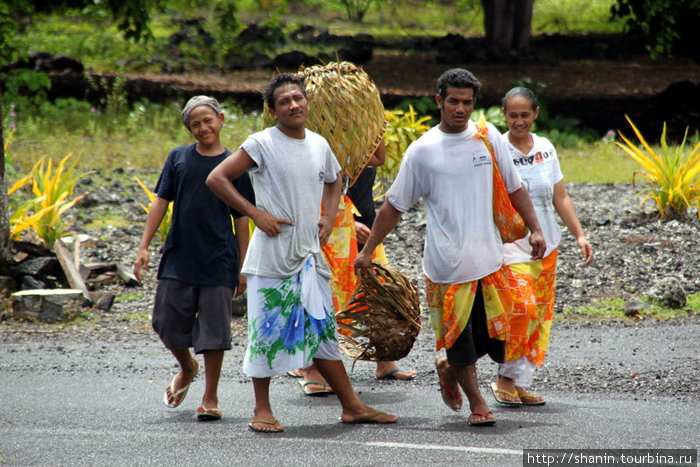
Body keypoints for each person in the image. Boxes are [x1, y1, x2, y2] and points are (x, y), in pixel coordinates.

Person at [205, 73, 398, 433]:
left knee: (323, 331)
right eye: (284, 101)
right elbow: (217, 178)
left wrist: (327, 216)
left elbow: (335, 178)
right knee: (265, 332)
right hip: (271, 260)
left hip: (309, 258)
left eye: (298, 98)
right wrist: (255, 213)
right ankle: (262, 409)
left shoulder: (319, 143)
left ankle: (352, 406)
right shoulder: (261, 143)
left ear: (308, 103)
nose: (293, 105)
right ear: (273, 109)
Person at [354, 68, 546, 426]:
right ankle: (477, 402)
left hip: (490, 261)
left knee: (498, 339)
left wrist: (535, 228)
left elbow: (515, 186)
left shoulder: (489, 138)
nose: (461, 109)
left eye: (468, 103)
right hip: (446, 267)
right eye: (454, 101)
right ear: (439, 100)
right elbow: (394, 206)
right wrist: (368, 251)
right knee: (461, 343)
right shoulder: (422, 151)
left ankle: (445, 365)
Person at [132, 95, 254, 421]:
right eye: (195, 124)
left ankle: (210, 396)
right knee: (164, 320)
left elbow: (241, 219)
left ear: (221, 119)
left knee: (215, 331)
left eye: (208, 121)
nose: (203, 128)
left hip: (219, 258)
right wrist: (143, 246)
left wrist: (243, 267)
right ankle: (187, 366)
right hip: (180, 254)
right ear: (189, 128)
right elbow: (160, 201)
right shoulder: (178, 158)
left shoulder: (235, 165)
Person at [491, 87, 594, 406]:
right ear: (504, 115)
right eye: (512, 115)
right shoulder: (497, 150)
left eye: (525, 115)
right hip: (512, 245)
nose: (518, 121)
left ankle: (520, 382)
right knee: (523, 309)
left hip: (547, 246)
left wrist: (579, 234)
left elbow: (559, 196)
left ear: (535, 113)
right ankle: (504, 377)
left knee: (539, 318)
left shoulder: (546, 148)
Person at [292, 141, 417, 396]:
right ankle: (312, 368)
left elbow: (379, 157)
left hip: (363, 227)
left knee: (382, 290)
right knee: (328, 293)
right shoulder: (316, 147)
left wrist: (371, 122)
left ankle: (385, 361)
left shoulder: (357, 146)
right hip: (330, 225)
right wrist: (348, 221)